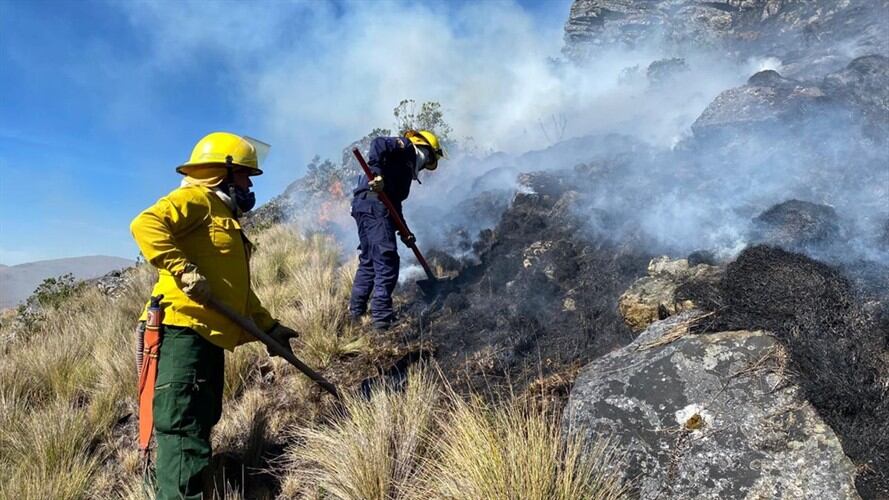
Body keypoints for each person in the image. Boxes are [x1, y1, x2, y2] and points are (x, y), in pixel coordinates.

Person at [130, 131, 299, 499]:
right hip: (180, 333)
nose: (250, 184)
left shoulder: (224, 217)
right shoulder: (196, 198)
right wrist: (183, 269)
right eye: (244, 174)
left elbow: (234, 291)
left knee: (201, 421)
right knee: (182, 429)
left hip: (205, 336)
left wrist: (269, 327)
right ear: (221, 173)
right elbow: (145, 224)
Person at [348, 129, 445, 330]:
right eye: (429, 158)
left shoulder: (402, 170)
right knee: (386, 259)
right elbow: (378, 143)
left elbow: (394, 204)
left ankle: (355, 313)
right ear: (423, 146)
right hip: (374, 204)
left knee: (369, 261)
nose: (426, 164)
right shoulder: (406, 147)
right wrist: (376, 173)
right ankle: (382, 319)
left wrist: (405, 232)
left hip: (365, 205)